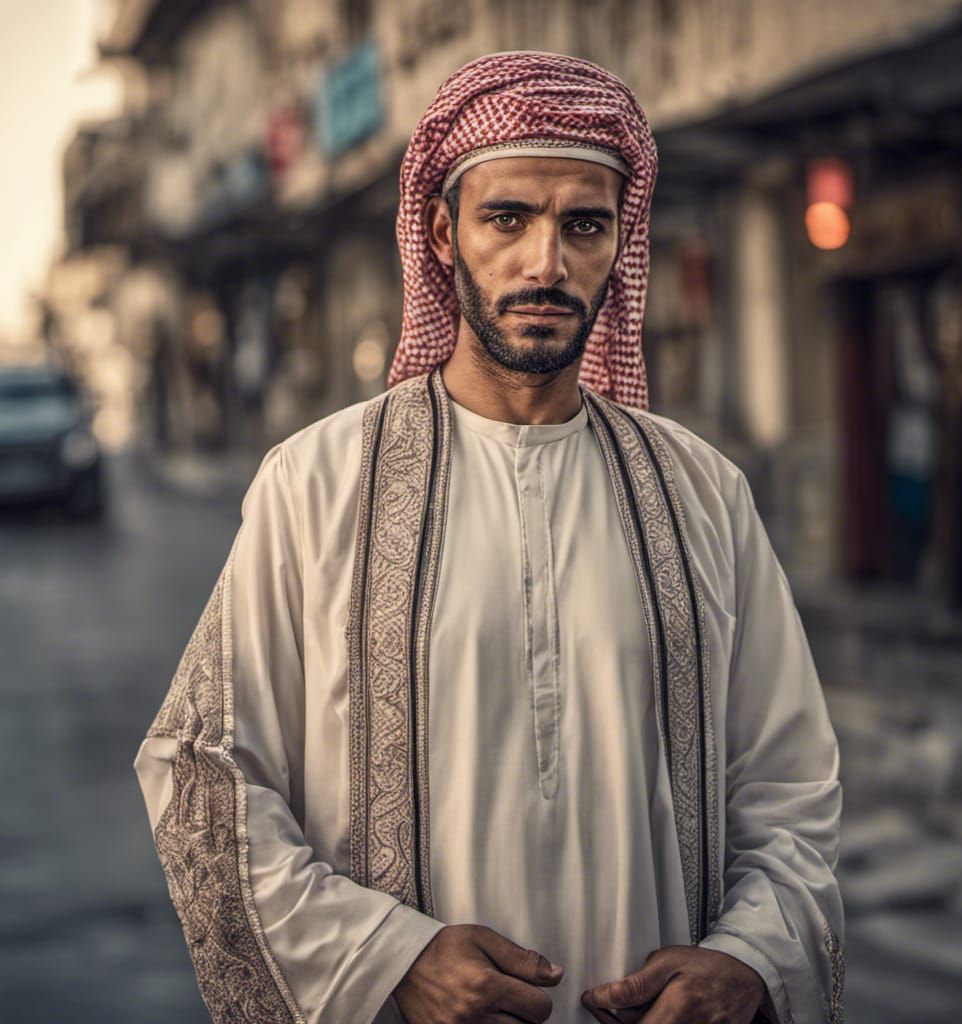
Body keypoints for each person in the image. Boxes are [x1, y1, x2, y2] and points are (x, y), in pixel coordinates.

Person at [134, 51, 844, 1024]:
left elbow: (789, 785)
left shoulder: (700, 491)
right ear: (441, 232)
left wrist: (751, 958)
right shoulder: (316, 484)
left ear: (618, 241)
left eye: (583, 224)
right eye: (507, 217)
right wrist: (388, 956)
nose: (545, 263)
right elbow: (203, 771)